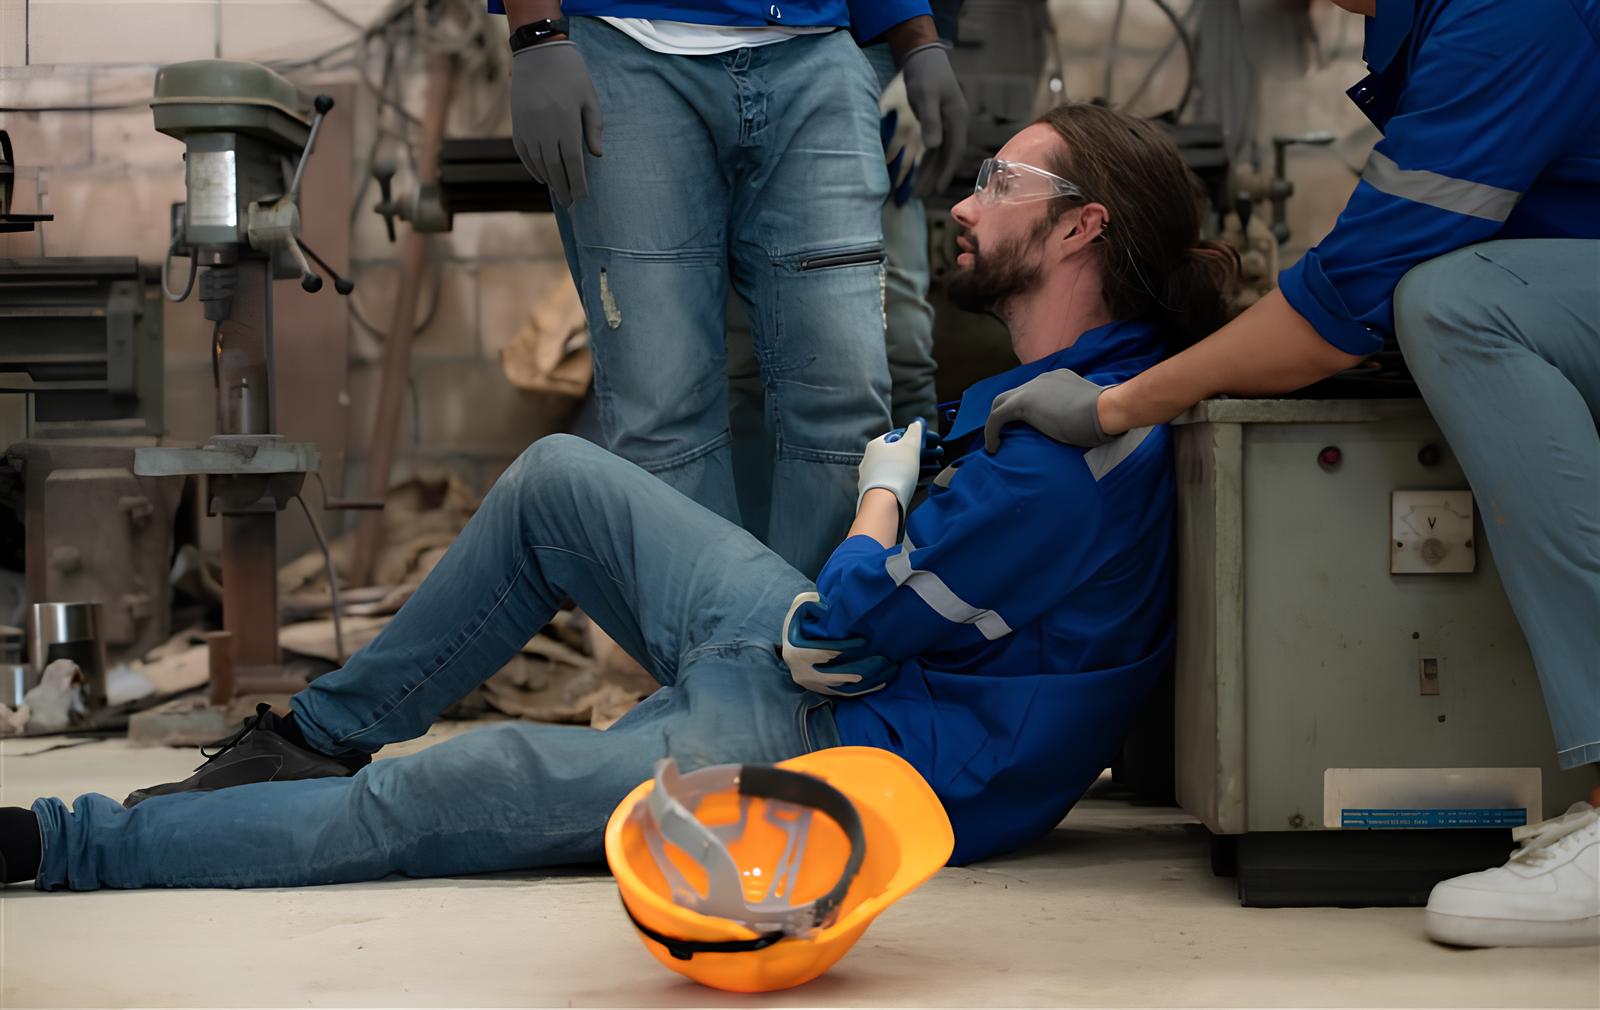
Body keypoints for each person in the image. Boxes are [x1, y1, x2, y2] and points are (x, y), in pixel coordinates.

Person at [0, 104, 1235, 891]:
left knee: (431, 794)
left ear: (1080, 229)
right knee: (558, 480)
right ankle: (311, 733)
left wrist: (878, 487)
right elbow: (851, 622)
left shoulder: (1066, 450)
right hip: (837, 670)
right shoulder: (1075, 396)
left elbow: (850, 615)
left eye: (999, 182)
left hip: (846, 746)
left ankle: (63, 839)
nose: (961, 204)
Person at [979, 0, 1600, 948]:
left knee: (1457, 304)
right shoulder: (1427, 25)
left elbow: (1361, 283)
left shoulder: (1509, 11)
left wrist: (1118, 403)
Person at [500, 0, 968, 579]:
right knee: (663, 412)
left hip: (816, 46)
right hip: (631, 43)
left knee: (844, 404)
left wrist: (915, 33)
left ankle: (817, 642)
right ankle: (717, 656)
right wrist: (536, 33)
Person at [725, 1, 961, 544]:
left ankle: (922, 556)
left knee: (898, 339)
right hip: (743, 40)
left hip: (877, 40)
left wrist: (927, 43)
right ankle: (756, 581)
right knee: (744, 356)